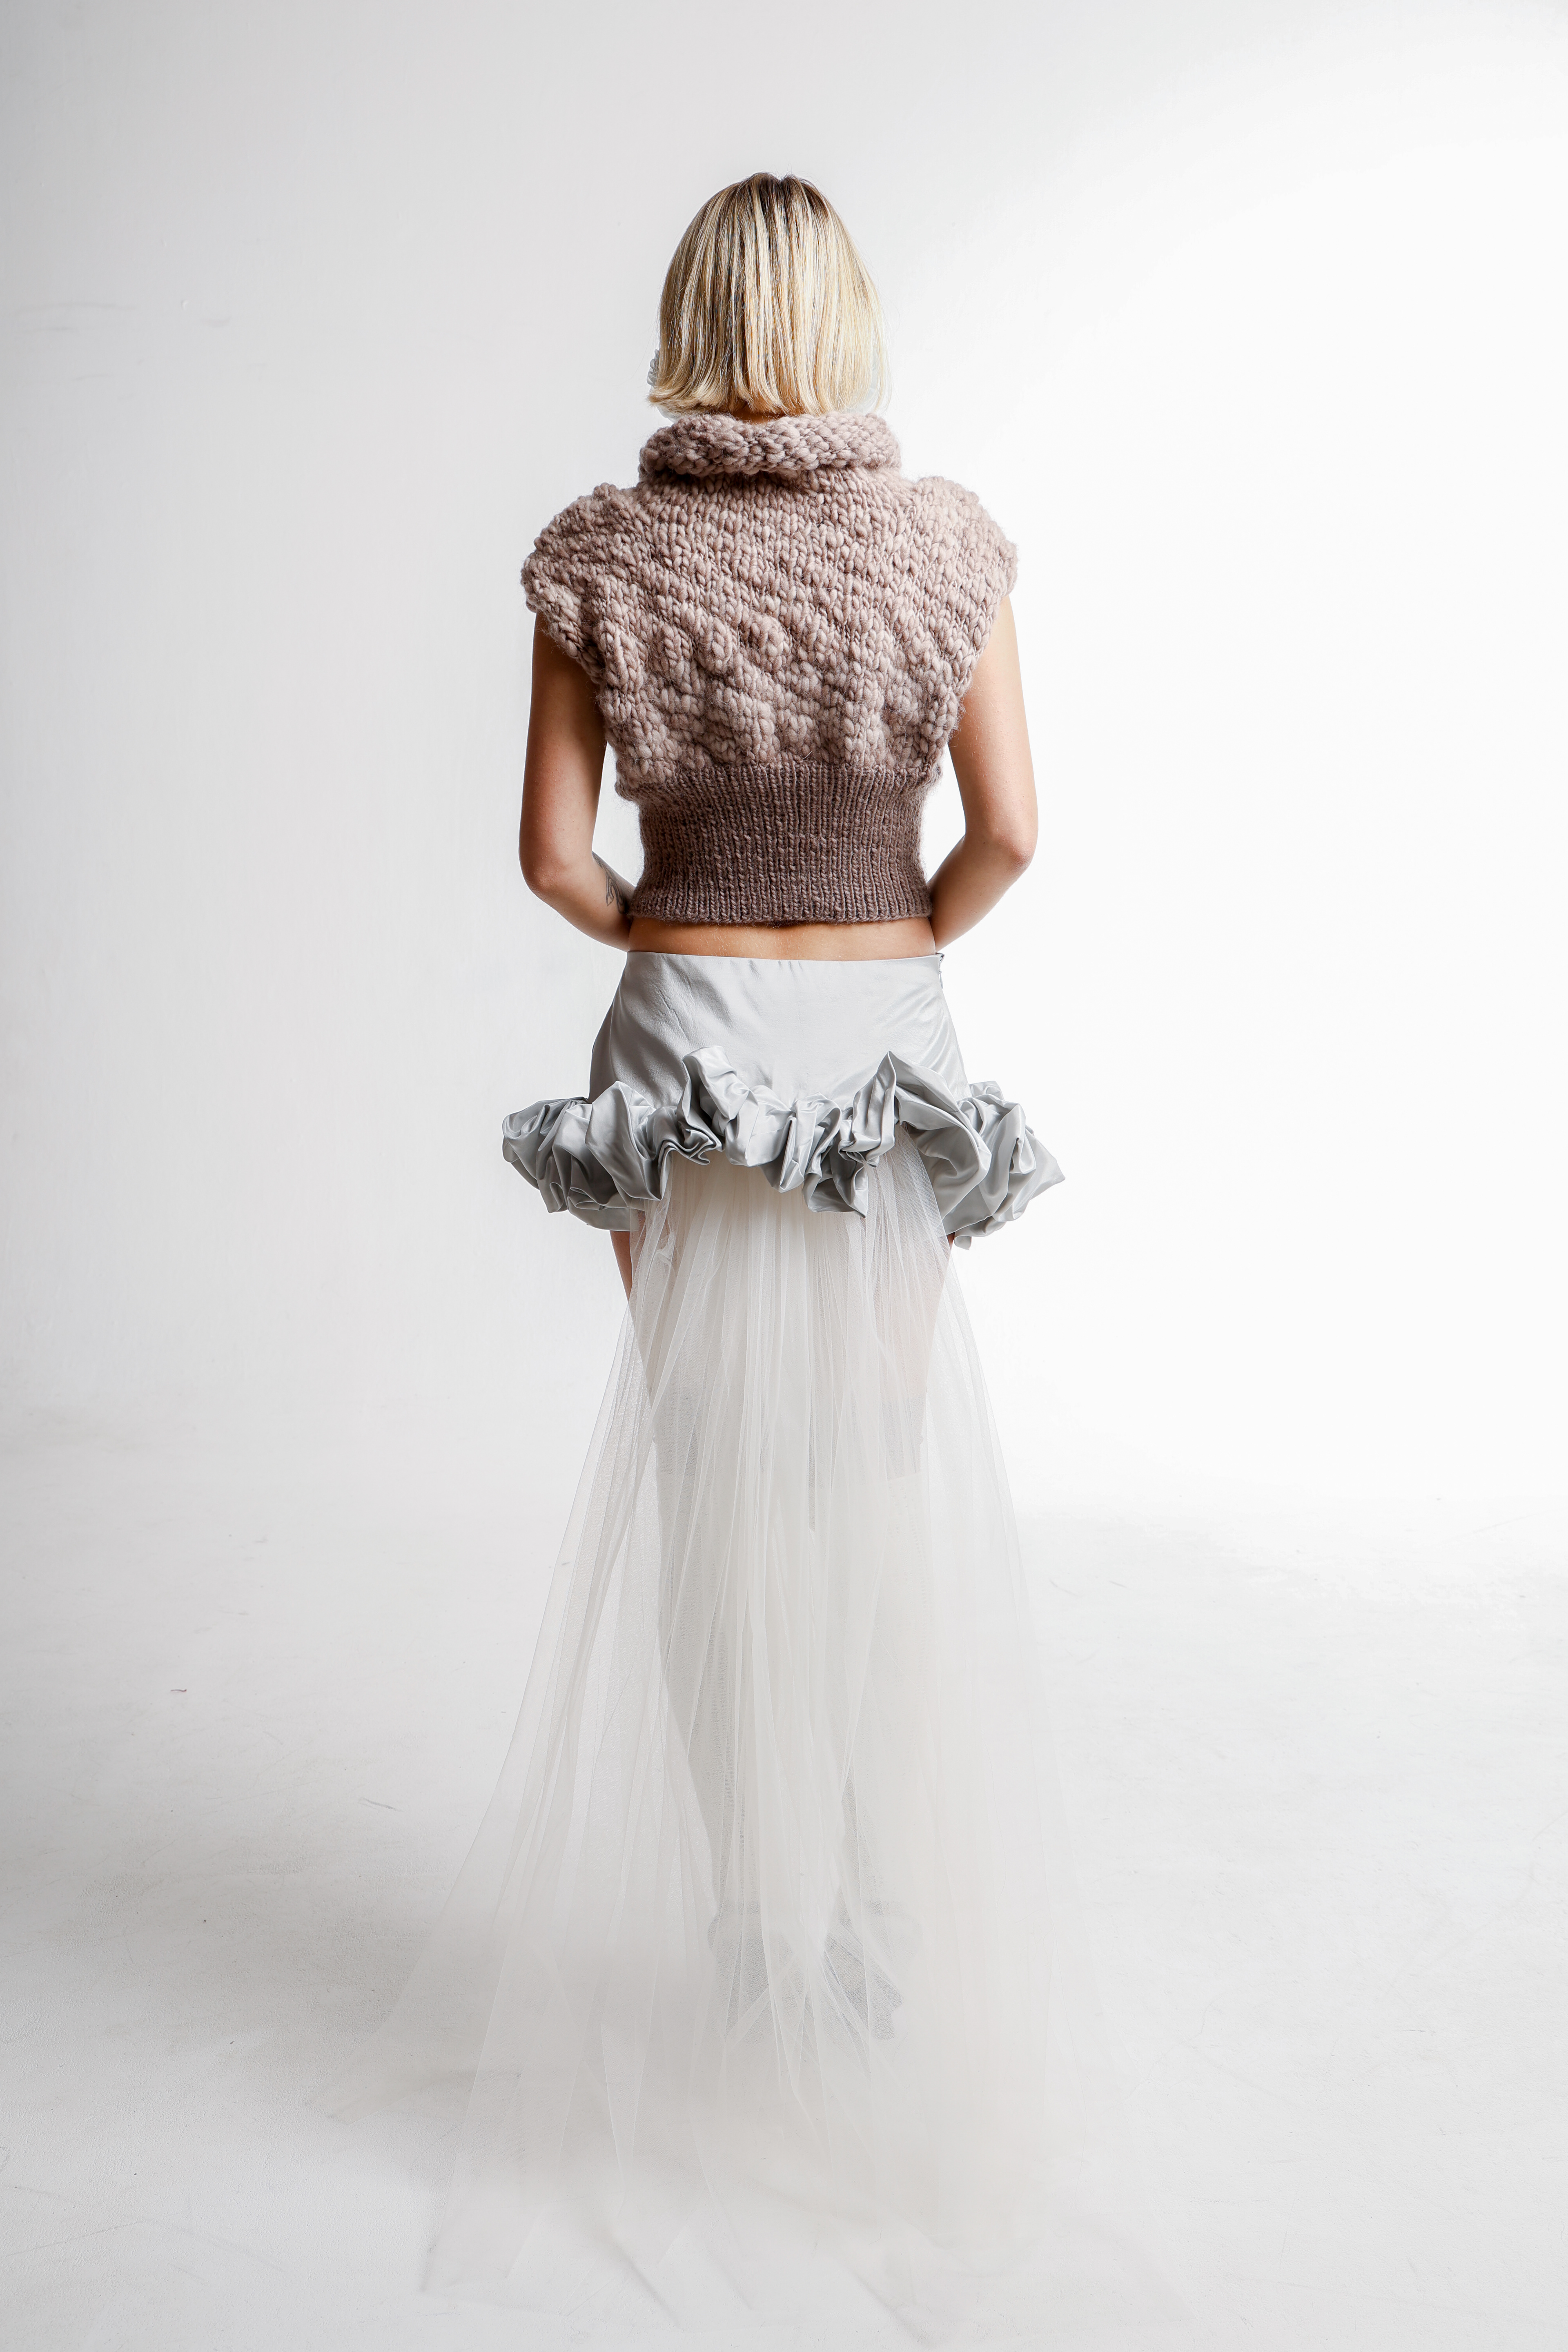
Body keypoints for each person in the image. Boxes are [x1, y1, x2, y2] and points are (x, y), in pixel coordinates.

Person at [323, 174, 1165, 2335]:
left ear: (692, 320)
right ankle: (871, 1923)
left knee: (708, 1487)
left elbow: (551, 856)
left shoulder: (599, 554)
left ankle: (754, 1933)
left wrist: (684, 942)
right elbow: (1013, 832)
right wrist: (888, 945)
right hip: (882, 1028)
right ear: (847, 321)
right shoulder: (947, 543)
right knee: (863, 1481)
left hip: (684, 1032)